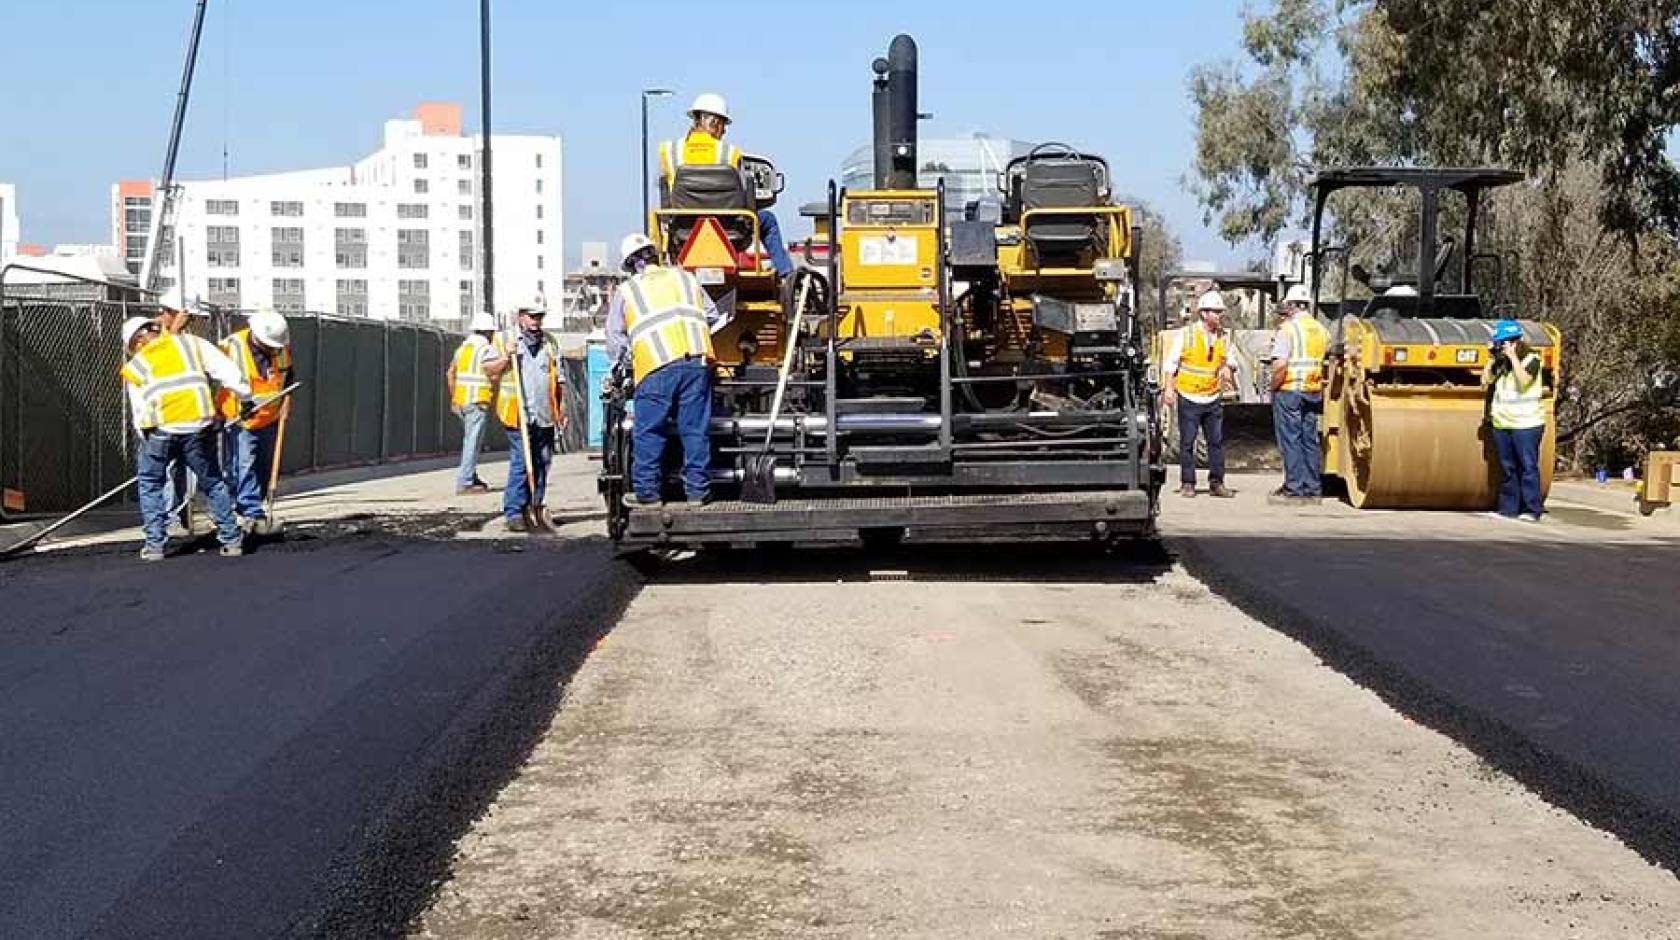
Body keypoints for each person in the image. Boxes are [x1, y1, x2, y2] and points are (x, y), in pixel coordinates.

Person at [606, 233, 724, 506]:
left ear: (632, 263)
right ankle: (697, 493)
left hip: (656, 365)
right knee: (695, 429)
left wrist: (625, 363)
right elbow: (713, 315)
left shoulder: (629, 290)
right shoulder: (686, 279)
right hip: (697, 362)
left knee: (649, 431)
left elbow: (614, 338)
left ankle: (648, 493)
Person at [120, 315, 250, 561]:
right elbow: (226, 370)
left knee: (150, 484)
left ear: (137, 341)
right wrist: (245, 397)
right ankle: (232, 540)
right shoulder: (190, 344)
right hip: (198, 426)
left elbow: (138, 409)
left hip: (161, 430)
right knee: (212, 481)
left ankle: (155, 546)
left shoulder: (137, 364)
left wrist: (146, 437)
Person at [658, 92, 794, 278]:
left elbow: (666, 189)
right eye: (723, 124)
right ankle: (787, 275)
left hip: (683, 231)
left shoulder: (669, 151)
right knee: (767, 219)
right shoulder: (730, 153)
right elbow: (742, 194)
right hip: (728, 231)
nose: (724, 131)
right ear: (713, 122)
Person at [216, 307, 293, 532]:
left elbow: (288, 377)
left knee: (263, 466)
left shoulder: (280, 348)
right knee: (243, 465)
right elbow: (217, 379)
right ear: (257, 337)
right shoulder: (232, 346)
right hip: (241, 418)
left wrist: (286, 401)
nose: (273, 350)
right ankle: (248, 511)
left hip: (270, 417)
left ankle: (251, 507)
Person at [496, 295, 565, 532]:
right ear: (520, 317)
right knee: (521, 462)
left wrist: (561, 409)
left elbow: (559, 379)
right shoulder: (505, 339)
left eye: (539, 317)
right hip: (517, 414)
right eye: (531, 316)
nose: (536, 321)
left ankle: (536, 504)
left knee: (543, 461)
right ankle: (514, 510)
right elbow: (489, 370)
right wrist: (506, 356)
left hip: (544, 413)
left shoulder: (550, 342)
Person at [1162, 290, 1236, 498]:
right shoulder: (1186, 335)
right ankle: (1188, 483)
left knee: (1216, 442)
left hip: (1212, 397)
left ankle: (1217, 483)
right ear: (1204, 313)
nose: (1219, 316)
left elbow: (1230, 361)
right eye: (1216, 312)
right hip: (1189, 396)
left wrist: (1229, 369)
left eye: (1220, 312)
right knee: (1187, 442)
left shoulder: (1223, 337)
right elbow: (1171, 364)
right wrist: (1168, 388)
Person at [1268, 284, 1330, 504]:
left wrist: (1273, 387)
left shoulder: (1288, 330)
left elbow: (1280, 365)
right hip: (1313, 391)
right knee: (1309, 440)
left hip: (1289, 390)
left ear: (1292, 306)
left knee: (1291, 440)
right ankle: (1313, 488)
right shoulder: (1322, 330)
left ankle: (1294, 489)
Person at [1483, 319, 1547, 521]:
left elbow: (1524, 381)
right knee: (1508, 468)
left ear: (1517, 341)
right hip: (1503, 424)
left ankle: (1531, 509)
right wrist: (1492, 359)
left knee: (1528, 467)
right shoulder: (1501, 363)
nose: (1503, 346)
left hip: (1527, 424)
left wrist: (1513, 358)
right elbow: (1485, 380)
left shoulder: (1532, 359)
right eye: (1500, 343)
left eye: (1506, 342)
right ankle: (1508, 508)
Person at [446, 310, 507, 494]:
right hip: (477, 400)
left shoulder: (463, 348)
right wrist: (506, 359)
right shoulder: (486, 349)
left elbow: (450, 374)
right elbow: (491, 370)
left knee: (470, 440)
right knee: (472, 441)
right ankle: (465, 481)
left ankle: (470, 475)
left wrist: (454, 398)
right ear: (489, 332)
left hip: (462, 400)